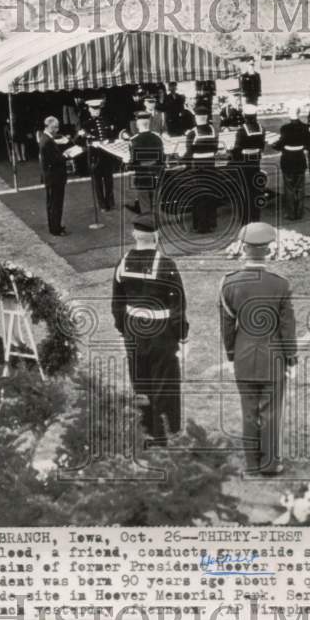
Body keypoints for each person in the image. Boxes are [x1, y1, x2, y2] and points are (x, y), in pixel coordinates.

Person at [219, 221, 298, 477]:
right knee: (271, 412)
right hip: (273, 356)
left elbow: (227, 326)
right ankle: (269, 465)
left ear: (244, 249)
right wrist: (292, 360)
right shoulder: (280, 284)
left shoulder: (228, 283)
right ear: (268, 250)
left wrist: (231, 356)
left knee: (249, 411)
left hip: (242, 355)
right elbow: (287, 327)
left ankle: (253, 464)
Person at [111, 217, 189, 447]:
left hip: (133, 331)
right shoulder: (166, 265)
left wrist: (123, 330)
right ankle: (163, 433)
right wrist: (182, 335)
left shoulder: (122, 263)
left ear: (134, 236)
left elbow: (117, 304)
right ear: (157, 237)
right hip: (161, 333)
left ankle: (145, 431)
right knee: (164, 382)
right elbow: (177, 306)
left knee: (140, 382)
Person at [183, 106, 219, 234]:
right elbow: (215, 148)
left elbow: (188, 153)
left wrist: (182, 162)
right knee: (210, 193)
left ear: (196, 117)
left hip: (198, 166)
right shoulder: (213, 130)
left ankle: (201, 225)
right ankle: (212, 222)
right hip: (211, 164)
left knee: (199, 196)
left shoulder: (193, 133)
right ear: (207, 117)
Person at [78, 98, 118, 211]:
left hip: (106, 154)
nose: (96, 111)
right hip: (95, 156)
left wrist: (108, 141)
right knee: (98, 182)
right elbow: (81, 140)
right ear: (89, 110)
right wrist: (91, 142)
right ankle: (102, 204)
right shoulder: (86, 124)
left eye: (98, 109)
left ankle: (110, 202)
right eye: (93, 109)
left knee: (109, 180)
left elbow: (112, 136)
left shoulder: (106, 121)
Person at [230, 102, 266, 224]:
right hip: (256, 161)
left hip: (244, 162)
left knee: (245, 190)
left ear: (245, 116)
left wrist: (232, 156)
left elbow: (237, 149)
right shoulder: (262, 129)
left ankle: (245, 218)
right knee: (255, 189)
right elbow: (261, 146)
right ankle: (256, 216)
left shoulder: (242, 131)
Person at [124, 111, 165, 217]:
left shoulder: (134, 141)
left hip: (142, 174)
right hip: (155, 172)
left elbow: (133, 162)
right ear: (149, 123)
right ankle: (156, 221)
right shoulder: (157, 138)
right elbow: (161, 158)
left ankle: (148, 225)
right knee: (154, 200)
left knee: (144, 201)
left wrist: (126, 162)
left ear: (137, 124)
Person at [272, 105, 310, 221]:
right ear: (299, 113)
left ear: (290, 114)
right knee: (300, 187)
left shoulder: (285, 128)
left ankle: (291, 214)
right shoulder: (305, 127)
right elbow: (308, 143)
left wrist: (273, 145)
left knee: (289, 188)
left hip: (288, 160)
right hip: (300, 159)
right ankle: (299, 212)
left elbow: (279, 145)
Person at [39, 116, 70, 236]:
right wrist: (66, 155)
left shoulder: (46, 138)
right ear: (48, 127)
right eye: (54, 127)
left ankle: (55, 226)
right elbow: (55, 159)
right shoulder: (47, 141)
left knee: (53, 203)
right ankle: (55, 229)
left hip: (51, 176)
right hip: (54, 177)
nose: (57, 129)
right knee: (55, 204)